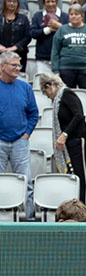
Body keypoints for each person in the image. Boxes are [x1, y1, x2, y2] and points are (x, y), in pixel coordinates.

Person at [39, 72, 86, 202]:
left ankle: (81, 205)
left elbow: (78, 115)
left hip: (77, 140)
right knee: (71, 175)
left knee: (79, 176)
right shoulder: (59, 99)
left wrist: (64, 134)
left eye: (47, 93)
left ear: (49, 86)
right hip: (69, 143)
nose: (49, 98)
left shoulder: (67, 94)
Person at [0, 52, 37, 219]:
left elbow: (33, 113)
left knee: (25, 183)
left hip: (20, 142)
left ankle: (28, 219)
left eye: (18, 65)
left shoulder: (25, 88)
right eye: (13, 65)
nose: (17, 68)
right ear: (2, 66)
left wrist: (26, 134)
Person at [51, 4, 86, 91]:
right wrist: (56, 70)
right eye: (71, 14)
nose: (73, 16)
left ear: (82, 16)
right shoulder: (62, 30)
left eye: (76, 14)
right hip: (66, 69)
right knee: (66, 98)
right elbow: (55, 51)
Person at [29, 0, 68, 76]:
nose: (50, 4)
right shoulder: (37, 16)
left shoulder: (65, 16)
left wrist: (59, 26)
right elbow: (32, 33)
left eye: (53, 1)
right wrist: (49, 30)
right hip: (43, 59)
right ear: (44, 3)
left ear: (57, 2)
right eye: (48, 1)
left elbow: (71, 33)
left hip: (62, 59)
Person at [0, 0, 29, 71]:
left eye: (14, 2)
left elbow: (27, 37)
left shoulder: (23, 18)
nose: (12, 3)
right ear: (5, 2)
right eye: (9, 1)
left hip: (19, 55)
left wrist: (14, 47)